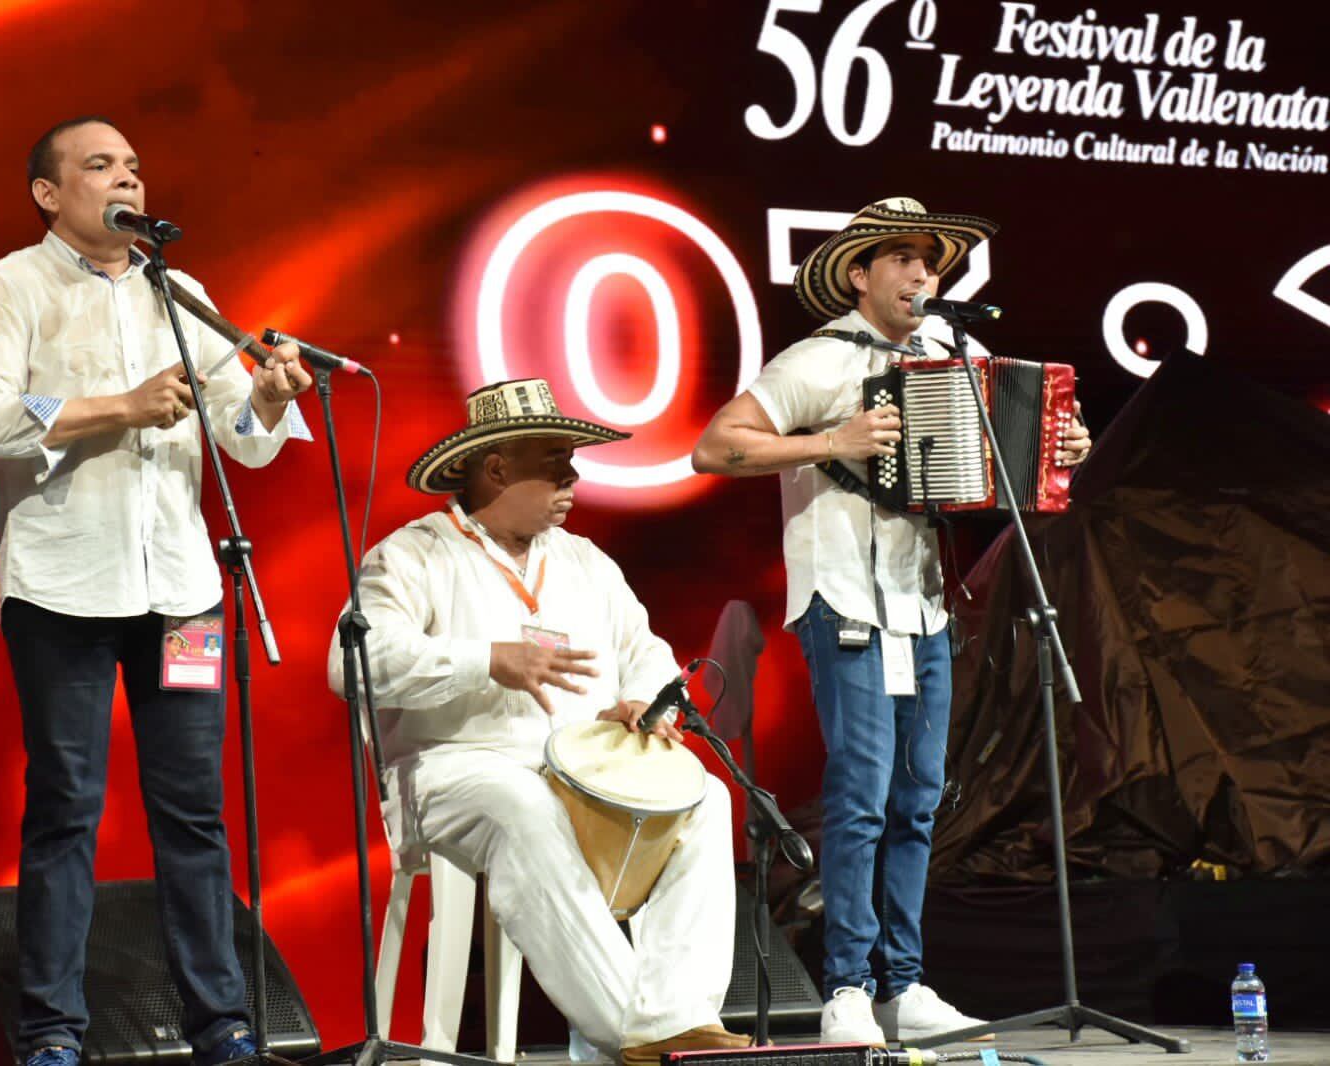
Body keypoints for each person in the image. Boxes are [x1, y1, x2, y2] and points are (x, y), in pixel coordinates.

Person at [0, 115, 313, 1066]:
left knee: (193, 807)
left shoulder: (179, 291)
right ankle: (52, 1033)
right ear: (49, 193)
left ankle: (221, 1023)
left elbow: (243, 437)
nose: (128, 180)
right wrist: (118, 408)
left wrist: (268, 394)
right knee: (67, 801)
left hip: (183, 594)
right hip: (63, 588)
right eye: (100, 166)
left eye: (135, 166)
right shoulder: (11, 286)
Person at [692, 198, 1090, 1046]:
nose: (919, 274)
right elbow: (716, 446)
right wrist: (829, 440)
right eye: (899, 258)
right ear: (858, 273)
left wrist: (1060, 449)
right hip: (842, 597)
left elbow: (1004, 452)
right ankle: (844, 986)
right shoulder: (818, 359)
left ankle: (902, 983)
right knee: (861, 797)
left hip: (923, 603)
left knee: (916, 800)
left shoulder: (955, 353)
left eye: (929, 262)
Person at [328, 379, 751, 1066]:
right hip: (456, 768)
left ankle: (679, 1020)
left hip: (580, 771)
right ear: (495, 467)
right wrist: (484, 660)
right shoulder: (411, 555)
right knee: (522, 805)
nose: (572, 475)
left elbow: (644, 650)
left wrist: (645, 698)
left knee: (703, 796)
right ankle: (639, 1037)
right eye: (555, 459)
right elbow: (352, 665)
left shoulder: (583, 560)